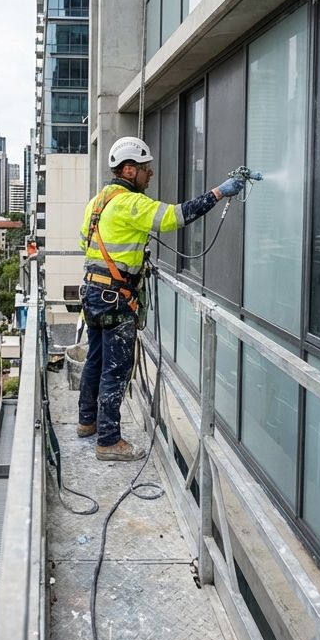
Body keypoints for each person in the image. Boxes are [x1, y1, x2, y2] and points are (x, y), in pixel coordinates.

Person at [77, 136, 244, 462]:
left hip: (93, 293)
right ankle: (108, 440)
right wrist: (219, 192)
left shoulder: (97, 202)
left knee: (95, 360)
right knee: (116, 368)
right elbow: (177, 216)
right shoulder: (130, 204)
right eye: (145, 169)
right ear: (128, 170)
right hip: (115, 299)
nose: (150, 174)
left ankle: (88, 422)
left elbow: (86, 241)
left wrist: (129, 253)